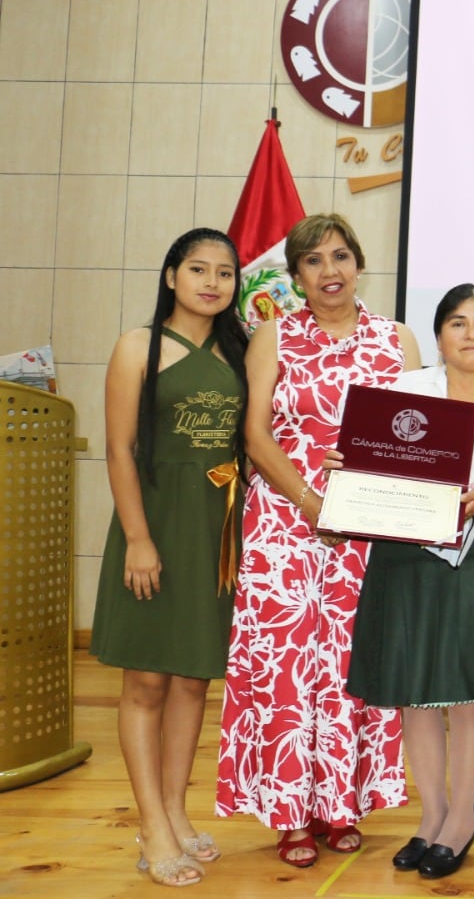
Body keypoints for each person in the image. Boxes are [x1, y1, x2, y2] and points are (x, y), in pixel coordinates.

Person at [215, 214, 421, 868]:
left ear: (359, 264)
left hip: (368, 533)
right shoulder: (272, 336)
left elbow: (420, 441)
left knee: (350, 668)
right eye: (313, 261)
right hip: (284, 526)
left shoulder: (398, 342)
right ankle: (289, 810)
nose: (329, 271)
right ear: (296, 274)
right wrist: (312, 503)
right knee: (284, 670)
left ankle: (342, 804)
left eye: (340, 256)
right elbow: (254, 436)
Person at [343, 285, 474, 880]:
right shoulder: (405, 393)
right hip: (405, 559)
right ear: (438, 336)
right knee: (414, 692)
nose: (471, 334)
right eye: (458, 323)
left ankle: (461, 818)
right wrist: (351, 466)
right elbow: (373, 464)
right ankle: (429, 816)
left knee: (467, 695)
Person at [90, 228, 249, 887]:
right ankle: (152, 827)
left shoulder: (240, 352)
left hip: (216, 530)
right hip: (153, 524)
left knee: (191, 679)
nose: (211, 282)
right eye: (197, 269)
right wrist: (138, 538)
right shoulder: (137, 347)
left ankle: (177, 814)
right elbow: (121, 448)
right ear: (171, 276)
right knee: (147, 681)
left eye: (224, 272)